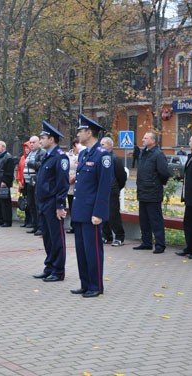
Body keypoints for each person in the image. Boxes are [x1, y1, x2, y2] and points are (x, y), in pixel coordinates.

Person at [70, 115, 113, 297]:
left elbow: (104, 187)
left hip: (92, 212)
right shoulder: (84, 153)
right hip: (80, 210)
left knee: (93, 249)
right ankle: (85, 283)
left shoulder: (103, 155)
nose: (78, 133)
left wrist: (99, 212)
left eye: (81, 131)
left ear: (89, 132)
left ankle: (96, 286)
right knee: (81, 250)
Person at [32, 121, 69, 282]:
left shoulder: (60, 157)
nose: (41, 140)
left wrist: (60, 205)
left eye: (43, 137)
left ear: (52, 139)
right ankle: (49, 267)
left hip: (53, 203)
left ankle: (58, 270)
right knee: (47, 237)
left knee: (56, 238)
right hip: (43, 202)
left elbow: (62, 183)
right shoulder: (47, 155)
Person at [134, 131, 170, 254]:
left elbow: (164, 173)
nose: (143, 139)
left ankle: (160, 245)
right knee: (143, 220)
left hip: (153, 192)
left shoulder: (158, 154)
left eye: (146, 138)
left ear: (153, 141)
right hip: (143, 191)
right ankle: (146, 242)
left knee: (155, 220)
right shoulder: (144, 153)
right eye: (143, 137)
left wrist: (156, 184)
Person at [100, 137, 127, 246]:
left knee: (113, 214)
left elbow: (122, 177)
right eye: (100, 144)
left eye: (103, 144)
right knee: (102, 214)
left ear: (110, 146)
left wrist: (116, 187)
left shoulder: (115, 158)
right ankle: (107, 236)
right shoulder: (100, 158)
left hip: (112, 191)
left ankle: (119, 236)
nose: (101, 147)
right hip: (102, 191)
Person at [24, 135, 46, 236]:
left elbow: (41, 165)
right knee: (31, 204)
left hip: (37, 182)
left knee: (38, 205)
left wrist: (30, 163)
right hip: (29, 182)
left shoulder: (42, 152)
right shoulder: (30, 153)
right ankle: (35, 225)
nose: (31, 144)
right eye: (30, 142)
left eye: (34, 142)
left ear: (39, 143)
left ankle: (41, 227)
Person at [0, 141, 15, 227]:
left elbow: (9, 171)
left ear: (3, 147)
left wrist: (4, 181)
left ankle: (7, 221)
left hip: (3, 183)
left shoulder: (8, 157)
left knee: (5, 203)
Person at [66, 138, 81, 234]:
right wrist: (67, 178)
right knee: (71, 206)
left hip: (78, 184)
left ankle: (78, 225)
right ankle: (73, 226)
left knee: (78, 206)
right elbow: (64, 168)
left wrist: (74, 177)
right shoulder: (67, 155)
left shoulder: (82, 155)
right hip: (69, 185)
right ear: (74, 145)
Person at [17, 141, 31, 227]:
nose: (26, 149)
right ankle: (26, 221)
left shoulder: (31, 158)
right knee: (25, 201)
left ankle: (31, 221)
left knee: (30, 202)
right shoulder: (22, 158)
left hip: (29, 182)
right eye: (25, 148)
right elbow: (19, 170)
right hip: (22, 183)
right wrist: (19, 181)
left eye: (27, 147)